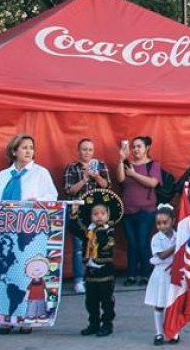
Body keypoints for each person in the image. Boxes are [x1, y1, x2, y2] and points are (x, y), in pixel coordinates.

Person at [0, 134, 58, 334]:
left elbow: (52, 197)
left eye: (31, 148)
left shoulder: (40, 173)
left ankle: (26, 318)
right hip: (4, 232)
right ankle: (6, 317)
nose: (28, 151)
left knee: (26, 274)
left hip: (29, 232)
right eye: (24, 147)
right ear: (14, 151)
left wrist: (37, 201)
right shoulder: (3, 175)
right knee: (5, 273)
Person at [64, 138, 112, 294]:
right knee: (78, 248)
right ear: (78, 151)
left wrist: (97, 176)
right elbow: (69, 190)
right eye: (84, 149)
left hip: (97, 213)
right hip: (77, 212)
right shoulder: (72, 167)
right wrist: (84, 179)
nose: (87, 152)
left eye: (90, 150)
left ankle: (97, 278)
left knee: (98, 244)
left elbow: (107, 186)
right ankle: (79, 280)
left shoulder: (101, 165)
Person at [117, 136, 161, 287]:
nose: (135, 149)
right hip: (128, 209)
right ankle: (131, 275)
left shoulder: (153, 164)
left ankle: (145, 274)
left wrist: (134, 174)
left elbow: (153, 183)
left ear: (146, 148)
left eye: (139, 146)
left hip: (146, 210)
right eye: (133, 147)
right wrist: (121, 160)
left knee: (143, 242)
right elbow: (121, 179)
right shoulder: (127, 164)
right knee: (132, 243)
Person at [76, 190, 121, 338]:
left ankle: (107, 324)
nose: (99, 216)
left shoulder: (108, 231)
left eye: (102, 214)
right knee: (91, 300)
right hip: (90, 271)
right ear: (91, 216)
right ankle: (93, 323)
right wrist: (74, 214)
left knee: (106, 301)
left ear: (108, 216)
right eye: (95, 214)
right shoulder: (88, 231)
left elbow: (104, 244)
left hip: (105, 270)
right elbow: (74, 229)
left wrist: (98, 230)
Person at [145, 204, 178, 345]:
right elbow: (163, 256)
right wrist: (177, 245)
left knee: (173, 304)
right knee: (159, 304)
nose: (162, 226)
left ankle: (173, 333)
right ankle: (159, 333)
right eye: (158, 223)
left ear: (173, 221)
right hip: (161, 274)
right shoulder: (156, 238)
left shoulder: (178, 235)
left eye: (165, 222)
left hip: (174, 275)